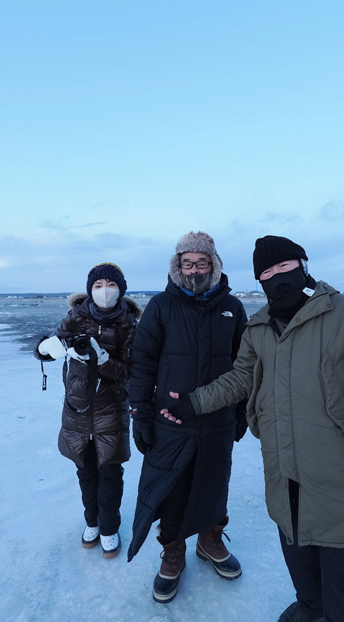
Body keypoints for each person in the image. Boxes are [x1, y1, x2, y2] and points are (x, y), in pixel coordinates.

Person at [160, 236, 344, 622]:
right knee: (305, 574)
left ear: (303, 265)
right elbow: (239, 379)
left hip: (342, 484)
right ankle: (311, 607)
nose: (277, 277)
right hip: (286, 479)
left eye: (284, 267)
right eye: (266, 273)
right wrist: (193, 402)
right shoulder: (259, 327)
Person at [123, 232, 246, 603]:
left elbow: (246, 364)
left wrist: (240, 411)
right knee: (172, 487)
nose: (194, 269)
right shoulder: (161, 306)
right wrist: (140, 413)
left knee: (214, 480)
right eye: (187, 263)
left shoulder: (233, 308)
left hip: (218, 419)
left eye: (201, 262)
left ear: (214, 265)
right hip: (170, 420)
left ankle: (209, 539)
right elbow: (142, 363)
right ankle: (173, 547)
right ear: (177, 267)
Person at [42, 263, 140, 559]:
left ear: (121, 289)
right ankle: (92, 522)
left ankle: (110, 526)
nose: (104, 291)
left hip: (111, 409)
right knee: (84, 470)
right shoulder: (76, 317)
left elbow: (129, 372)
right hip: (77, 408)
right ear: (89, 290)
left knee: (110, 471)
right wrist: (46, 348)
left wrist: (101, 359)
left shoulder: (130, 325)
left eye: (111, 284)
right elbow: (49, 346)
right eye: (98, 286)